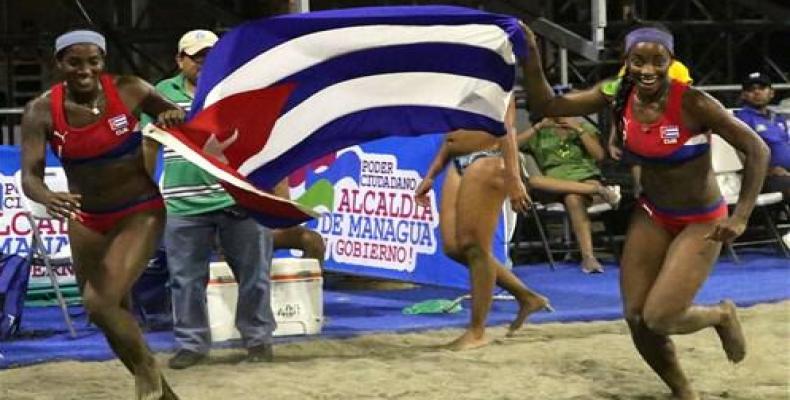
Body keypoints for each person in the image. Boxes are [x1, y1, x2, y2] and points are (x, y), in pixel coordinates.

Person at [521, 23, 769, 399]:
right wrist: (533, 58)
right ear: (627, 61)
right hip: (654, 213)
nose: (648, 70)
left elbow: (758, 150)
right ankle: (682, 391)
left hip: (701, 220)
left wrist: (741, 216)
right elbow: (547, 107)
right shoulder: (617, 93)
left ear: (671, 62)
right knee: (637, 319)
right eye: (639, 60)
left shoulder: (693, 102)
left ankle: (721, 314)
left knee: (661, 316)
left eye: (658, 61)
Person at [20, 29, 185, 399]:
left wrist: (173, 114)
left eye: (92, 61)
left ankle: (146, 377)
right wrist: (47, 195)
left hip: (138, 210)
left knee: (100, 301)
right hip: (86, 218)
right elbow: (29, 176)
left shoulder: (130, 89)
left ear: (103, 61)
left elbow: (178, 118)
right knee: (109, 314)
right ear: (59, 63)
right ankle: (164, 393)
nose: (84, 70)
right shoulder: (41, 110)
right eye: (74, 62)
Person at [141, 29, 276, 369]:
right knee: (185, 280)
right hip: (183, 204)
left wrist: (271, 194)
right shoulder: (160, 95)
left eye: (210, 56)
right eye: (196, 56)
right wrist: (146, 194)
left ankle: (258, 342)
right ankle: (192, 344)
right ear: (179, 60)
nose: (203, 62)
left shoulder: (239, 88)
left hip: (239, 198)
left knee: (254, 276)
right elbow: (149, 144)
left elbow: (264, 140)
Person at [414, 98, 552, 351]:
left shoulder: (494, 69)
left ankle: (477, 331)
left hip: (488, 158)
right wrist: (431, 174)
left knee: (475, 247)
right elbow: (451, 137)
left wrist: (514, 179)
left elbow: (507, 127)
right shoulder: (458, 75)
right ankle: (526, 296)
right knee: (453, 247)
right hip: (456, 160)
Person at [517, 115, 621, 273]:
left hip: (586, 179)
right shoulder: (540, 132)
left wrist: (578, 129)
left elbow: (599, 155)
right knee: (533, 181)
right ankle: (601, 191)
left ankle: (588, 258)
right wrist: (537, 127)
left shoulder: (583, 127)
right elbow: (510, 145)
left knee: (573, 198)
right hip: (554, 185)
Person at [734, 72, 790, 199]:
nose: (757, 92)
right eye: (751, 89)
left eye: (762, 88)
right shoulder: (741, 119)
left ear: (771, 93)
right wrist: (768, 171)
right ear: (743, 95)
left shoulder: (778, 118)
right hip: (764, 177)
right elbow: (742, 153)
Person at [272, 178, 326, 264]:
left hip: (273, 226)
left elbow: (283, 205)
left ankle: (306, 276)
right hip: (250, 223)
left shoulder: (277, 168)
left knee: (314, 241)